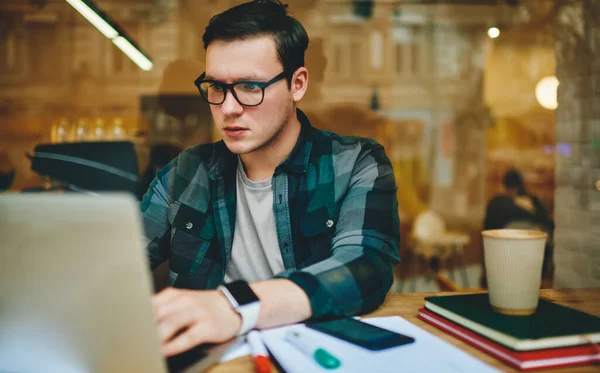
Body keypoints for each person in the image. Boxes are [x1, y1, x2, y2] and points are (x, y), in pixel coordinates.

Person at [140, 0, 400, 358]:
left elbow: (364, 268)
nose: (228, 108)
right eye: (216, 87)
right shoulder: (185, 173)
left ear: (297, 84)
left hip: (312, 357)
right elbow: (115, 270)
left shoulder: (354, 163)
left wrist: (234, 305)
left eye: (250, 86)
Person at [482, 168, 554, 285]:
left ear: (504, 184)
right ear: (521, 184)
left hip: (504, 254)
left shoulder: (497, 203)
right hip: (533, 252)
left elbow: (488, 228)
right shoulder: (532, 201)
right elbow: (544, 219)